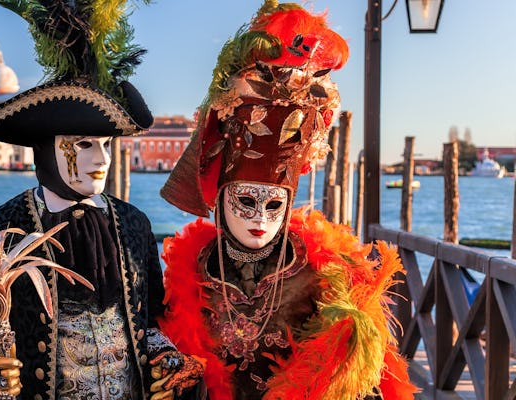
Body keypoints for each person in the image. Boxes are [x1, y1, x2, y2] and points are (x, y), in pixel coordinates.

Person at [156, 1, 416, 399]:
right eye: (245, 200)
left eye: (274, 204)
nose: (260, 216)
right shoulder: (191, 273)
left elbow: (362, 379)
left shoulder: (323, 273)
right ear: (221, 199)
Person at [0, 1, 203, 399]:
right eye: (83, 145)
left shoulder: (134, 224)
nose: (100, 159)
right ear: (47, 149)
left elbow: (149, 320)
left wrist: (167, 358)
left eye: (105, 144)